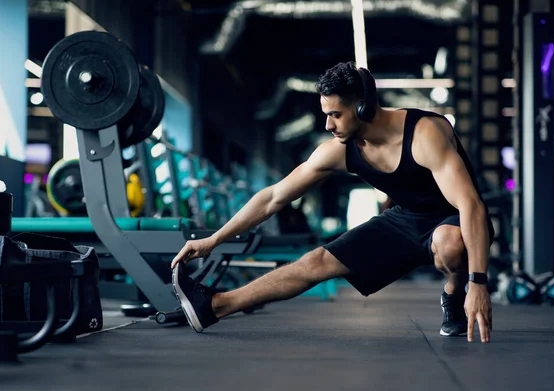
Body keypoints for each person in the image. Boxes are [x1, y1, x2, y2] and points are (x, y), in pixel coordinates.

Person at [170, 61, 495, 343]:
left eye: (336, 115)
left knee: (448, 242)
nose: (328, 125)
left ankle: (454, 292)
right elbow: (272, 198)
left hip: (454, 218)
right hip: (406, 218)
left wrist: (477, 283)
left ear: (363, 107)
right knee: (316, 262)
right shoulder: (338, 149)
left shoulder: (425, 135)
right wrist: (213, 239)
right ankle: (214, 306)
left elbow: (471, 206)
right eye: (326, 114)